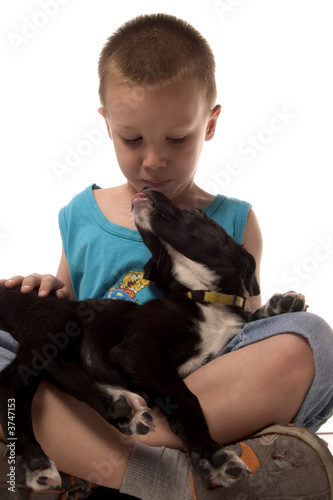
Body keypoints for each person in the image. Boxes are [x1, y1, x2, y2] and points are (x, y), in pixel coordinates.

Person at [1, 13, 333, 500]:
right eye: (131, 139)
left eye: (176, 139)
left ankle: (91, 456)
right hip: (100, 384)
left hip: (189, 390)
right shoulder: (80, 214)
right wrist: (43, 287)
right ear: (106, 125)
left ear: (211, 124)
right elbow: (63, 317)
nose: (153, 161)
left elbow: (245, 331)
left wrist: (272, 316)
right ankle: (164, 474)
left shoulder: (235, 222)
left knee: (313, 340)